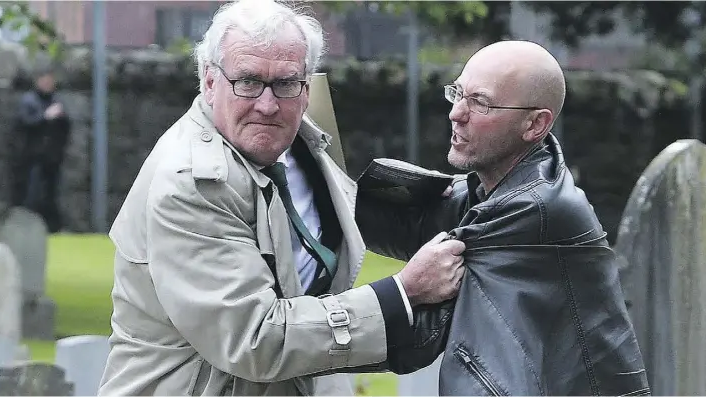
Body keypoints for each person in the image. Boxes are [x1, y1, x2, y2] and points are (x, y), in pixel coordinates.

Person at [97, 0, 466, 395]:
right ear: (209, 81)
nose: (268, 104)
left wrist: (446, 204)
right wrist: (402, 293)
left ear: (307, 88)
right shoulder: (191, 183)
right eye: (248, 81)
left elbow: (323, 238)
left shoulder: (302, 139)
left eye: (286, 83)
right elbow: (257, 340)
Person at [355, 40, 651, 395]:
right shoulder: (492, 191)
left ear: (534, 124)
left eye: (480, 102)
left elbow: (418, 335)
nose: (456, 113)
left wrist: (290, 336)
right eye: (458, 93)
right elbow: (374, 221)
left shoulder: (536, 209)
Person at [9, 66, 70, 232]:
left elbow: (65, 127)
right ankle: (26, 228)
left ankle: (52, 229)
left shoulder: (56, 101)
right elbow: (25, 123)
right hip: (32, 158)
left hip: (52, 159)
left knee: (50, 195)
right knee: (31, 194)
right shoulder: (29, 101)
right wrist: (46, 116)